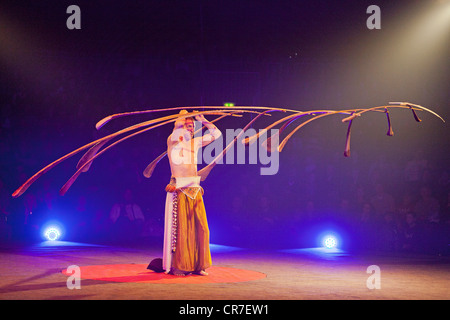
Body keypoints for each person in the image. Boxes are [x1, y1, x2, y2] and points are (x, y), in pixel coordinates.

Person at [163, 110, 221, 276]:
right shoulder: (173, 140)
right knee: (181, 231)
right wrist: (183, 114)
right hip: (179, 189)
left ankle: (198, 265)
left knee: (201, 229)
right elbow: (178, 126)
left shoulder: (195, 143)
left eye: (192, 127)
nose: (190, 129)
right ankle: (179, 266)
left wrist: (203, 120)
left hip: (195, 189)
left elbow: (216, 134)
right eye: (187, 126)